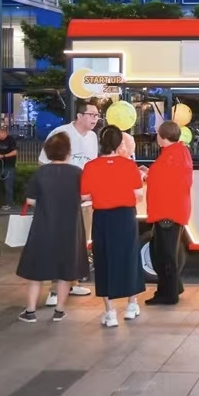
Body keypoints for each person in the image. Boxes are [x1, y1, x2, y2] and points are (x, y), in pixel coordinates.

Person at [17, 132, 89, 323]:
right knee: (66, 270)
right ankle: (59, 311)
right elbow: (84, 197)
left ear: (48, 151)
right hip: (70, 228)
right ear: (68, 152)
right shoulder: (77, 172)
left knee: (37, 270)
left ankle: (30, 311)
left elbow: (30, 200)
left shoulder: (41, 172)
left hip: (44, 226)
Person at [81, 125, 146, 327]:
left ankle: (110, 313)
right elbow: (139, 195)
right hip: (125, 217)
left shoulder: (90, 166)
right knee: (129, 257)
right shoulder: (129, 166)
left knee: (104, 260)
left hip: (102, 218)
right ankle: (132, 305)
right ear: (119, 144)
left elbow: (85, 196)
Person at [39, 99, 100, 305]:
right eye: (91, 114)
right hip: (62, 201)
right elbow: (44, 163)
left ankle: (72, 283)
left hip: (85, 201)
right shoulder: (61, 133)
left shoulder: (93, 137)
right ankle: (54, 290)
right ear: (79, 116)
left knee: (79, 244)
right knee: (60, 244)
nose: (95, 119)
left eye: (97, 115)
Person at [143, 121, 193, 305]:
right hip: (176, 210)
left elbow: (162, 182)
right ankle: (174, 287)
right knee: (168, 253)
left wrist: (146, 175)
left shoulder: (169, 156)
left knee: (164, 256)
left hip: (166, 211)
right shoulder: (181, 152)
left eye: (158, 134)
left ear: (163, 137)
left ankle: (168, 294)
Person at [0, 127, 18, 210]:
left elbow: (15, 152)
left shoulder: (10, 140)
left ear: (3, 132)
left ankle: (9, 203)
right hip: (0, 165)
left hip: (9, 165)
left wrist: (4, 156)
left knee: (8, 186)